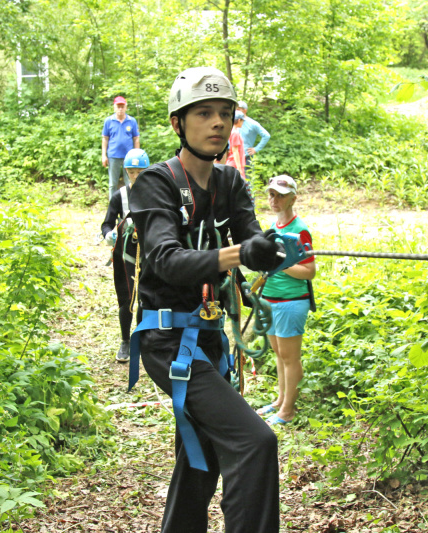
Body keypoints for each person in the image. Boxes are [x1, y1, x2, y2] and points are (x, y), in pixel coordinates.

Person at [127, 67, 285, 533]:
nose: (217, 122)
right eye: (203, 113)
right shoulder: (154, 184)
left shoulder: (231, 184)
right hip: (166, 339)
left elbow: (252, 244)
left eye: (224, 113)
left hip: (211, 340)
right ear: (178, 123)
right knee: (255, 442)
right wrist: (238, 252)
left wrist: (269, 249)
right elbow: (165, 260)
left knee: (202, 456)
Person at [256, 175, 316, 425]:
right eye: (271, 194)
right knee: (279, 354)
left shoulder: (299, 230)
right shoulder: (274, 226)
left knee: (290, 357)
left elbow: (309, 271)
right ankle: (280, 400)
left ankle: (288, 410)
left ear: (294, 197)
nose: (274, 199)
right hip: (270, 298)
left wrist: (279, 263)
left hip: (291, 301)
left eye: (280, 195)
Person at [101, 148, 150, 362]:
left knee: (147, 299)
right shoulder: (119, 196)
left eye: (140, 172)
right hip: (126, 255)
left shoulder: (157, 195)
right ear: (126, 172)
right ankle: (125, 341)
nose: (136, 176)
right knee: (127, 299)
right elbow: (106, 223)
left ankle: (144, 339)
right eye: (132, 172)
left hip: (150, 254)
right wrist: (109, 234)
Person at [101, 95, 140, 199]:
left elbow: (136, 138)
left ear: (126, 107)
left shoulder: (132, 121)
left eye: (122, 106)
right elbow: (105, 138)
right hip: (113, 156)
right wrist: (103, 155)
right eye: (118, 106)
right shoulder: (108, 121)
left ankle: (131, 204)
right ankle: (112, 204)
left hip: (129, 157)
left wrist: (137, 155)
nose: (120, 109)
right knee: (113, 183)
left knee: (130, 181)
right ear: (114, 107)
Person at [236, 100, 270, 171]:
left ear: (245, 110)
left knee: (247, 180)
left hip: (246, 157)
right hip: (234, 156)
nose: (236, 110)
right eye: (235, 109)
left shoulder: (252, 123)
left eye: (238, 109)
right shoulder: (233, 121)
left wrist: (256, 149)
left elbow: (266, 135)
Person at [225, 110, 246, 179]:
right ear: (239, 120)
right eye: (243, 121)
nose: (243, 123)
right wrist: (239, 168)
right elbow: (235, 150)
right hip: (234, 163)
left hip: (232, 163)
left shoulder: (231, 131)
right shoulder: (235, 133)